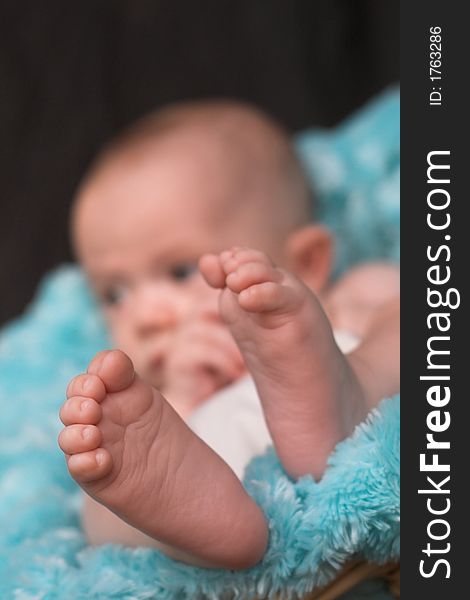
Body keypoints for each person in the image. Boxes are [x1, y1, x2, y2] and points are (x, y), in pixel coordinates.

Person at [57, 100, 400, 570]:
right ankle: (200, 525)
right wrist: (180, 394)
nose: (144, 315)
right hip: (215, 466)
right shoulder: (153, 402)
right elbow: (147, 435)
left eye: (177, 271)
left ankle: (349, 389)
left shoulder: (347, 296)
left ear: (307, 263)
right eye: (115, 294)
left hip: (343, 373)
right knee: (100, 486)